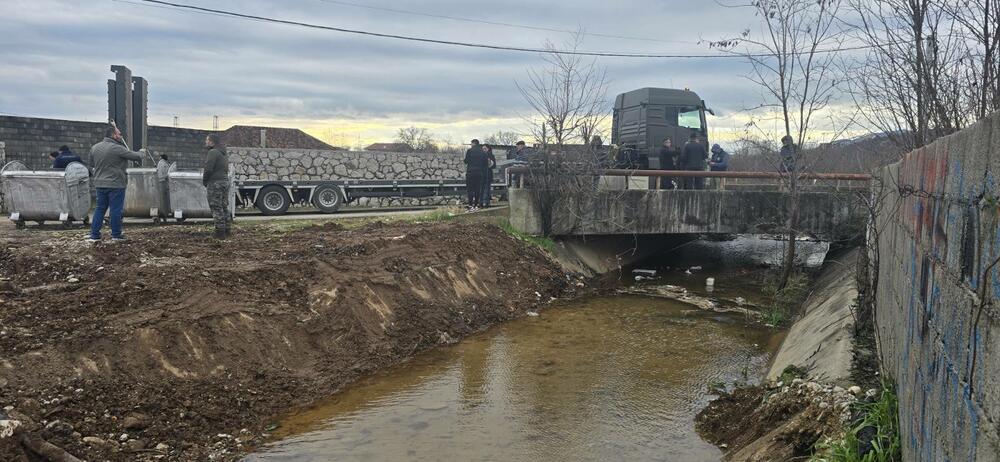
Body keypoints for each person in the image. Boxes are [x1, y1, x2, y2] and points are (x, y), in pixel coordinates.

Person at [87, 126, 145, 242]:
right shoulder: (117, 148)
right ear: (113, 135)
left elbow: (91, 165)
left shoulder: (94, 148)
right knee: (115, 210)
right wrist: (142, 152)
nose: (121, 136)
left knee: (99, 209)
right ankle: (116, 235)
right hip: (116, 184)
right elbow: (136, 156)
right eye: (119, 134)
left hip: (99, 184)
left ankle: (94, 235)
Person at [203, 134, 232, 239]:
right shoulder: (223, 153)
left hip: (215, 182)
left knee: (216, 207)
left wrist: (205, 181)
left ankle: (219, 232)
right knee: (224, 206)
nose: (205, 142)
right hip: (224, 181)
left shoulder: (213, 152)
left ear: (211, 142)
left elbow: (208, 169)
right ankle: (227, 230)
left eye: (207, 140)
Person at [464, 139, 488, 211]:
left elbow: (466, 161)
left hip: (470, 172)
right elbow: (485, 164)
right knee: (478, 189)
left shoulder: (469, 151)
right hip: (479, 173)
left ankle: (470, 204)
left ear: (473, 143)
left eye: (471, 144)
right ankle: (476, 204)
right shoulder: (483, 152)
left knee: (470, 189)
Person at [156, 153, 172, 218]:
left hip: (163, 182)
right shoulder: (164, 163)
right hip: (164, 182)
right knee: (165, 198)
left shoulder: (161, 163)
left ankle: (165, 212)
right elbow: (166, 173)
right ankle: (166, 212)